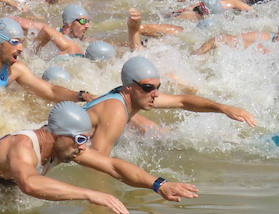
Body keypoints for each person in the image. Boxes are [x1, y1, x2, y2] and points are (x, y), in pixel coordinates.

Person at [0, 102, 129, 212]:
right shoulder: (23, 146)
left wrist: (157, 184)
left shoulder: (65, 147)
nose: (83, 146)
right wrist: (89, 194)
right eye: (80, 139)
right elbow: (29, 184)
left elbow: (112, 165)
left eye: (86, 140)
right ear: (59, 134)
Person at [81, 55, 257, 156]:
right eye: (148, 88)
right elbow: (97, 163)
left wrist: (223, 108)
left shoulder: (134, 95)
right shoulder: (115, 112)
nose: (155, 94)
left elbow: (182, 101)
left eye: (158, 87)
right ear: (129, 87)